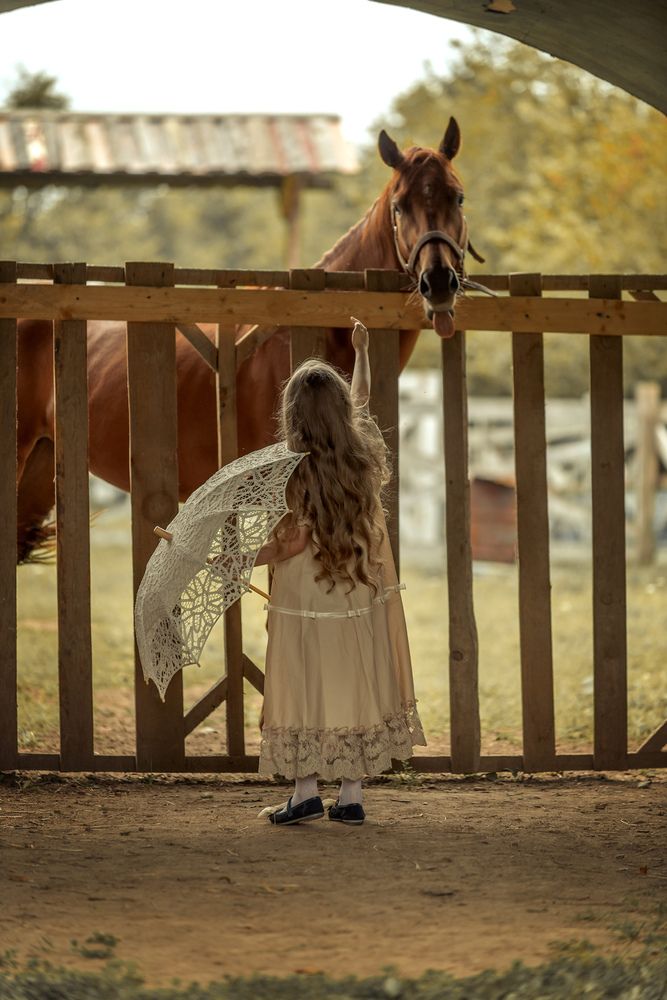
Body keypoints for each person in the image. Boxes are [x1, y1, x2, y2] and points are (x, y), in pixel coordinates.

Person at [254, 319, 426, 826]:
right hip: (354, 595)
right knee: (355, 682)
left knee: (303, 683)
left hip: (305, 601)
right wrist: (362, 353)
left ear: (294, 417)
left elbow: (295, 541)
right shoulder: (360, 455)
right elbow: (362, 398)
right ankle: (350, 796)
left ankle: (304, 790)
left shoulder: (296, 470)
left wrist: (242, 558)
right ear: (340, 415)